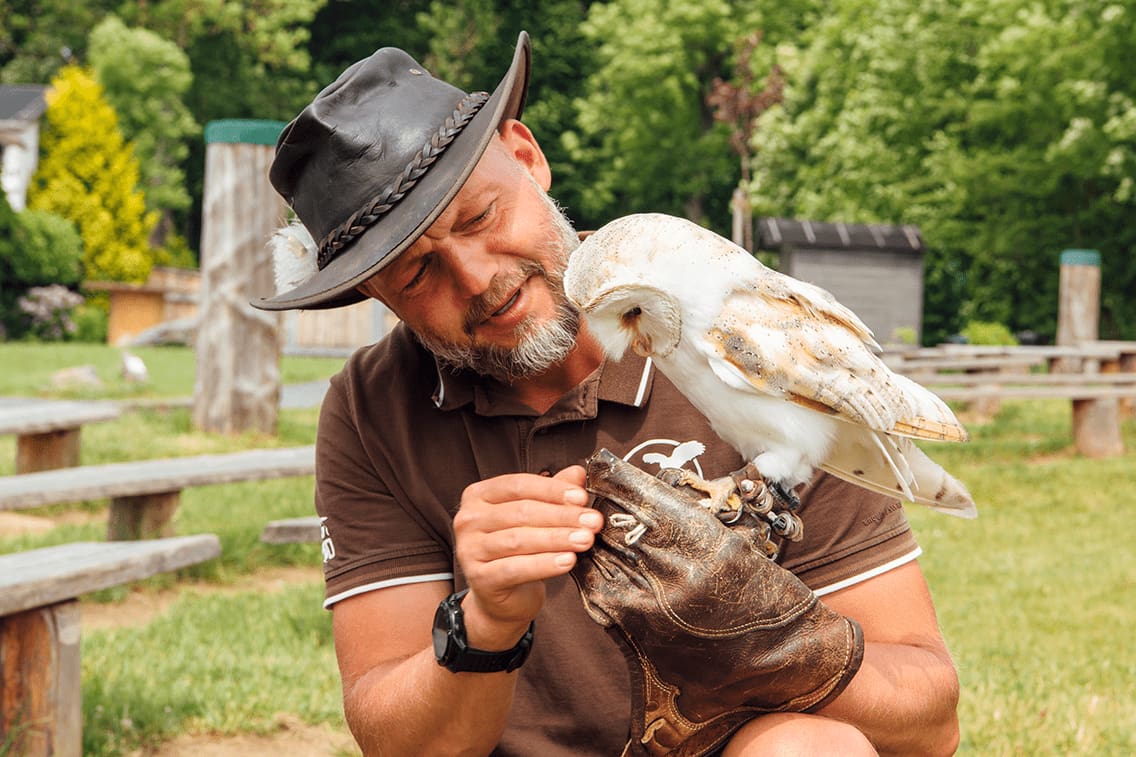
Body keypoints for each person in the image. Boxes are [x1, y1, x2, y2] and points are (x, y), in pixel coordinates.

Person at [254, 31, 961, 756]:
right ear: (374, 294)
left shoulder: (732, 331)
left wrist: (769, 640)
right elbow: (398, 742)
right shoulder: (374, 407)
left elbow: (930, 719)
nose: (474, 278)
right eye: (414, 274)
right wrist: (485, 624)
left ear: (526, 157)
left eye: (480, 217)